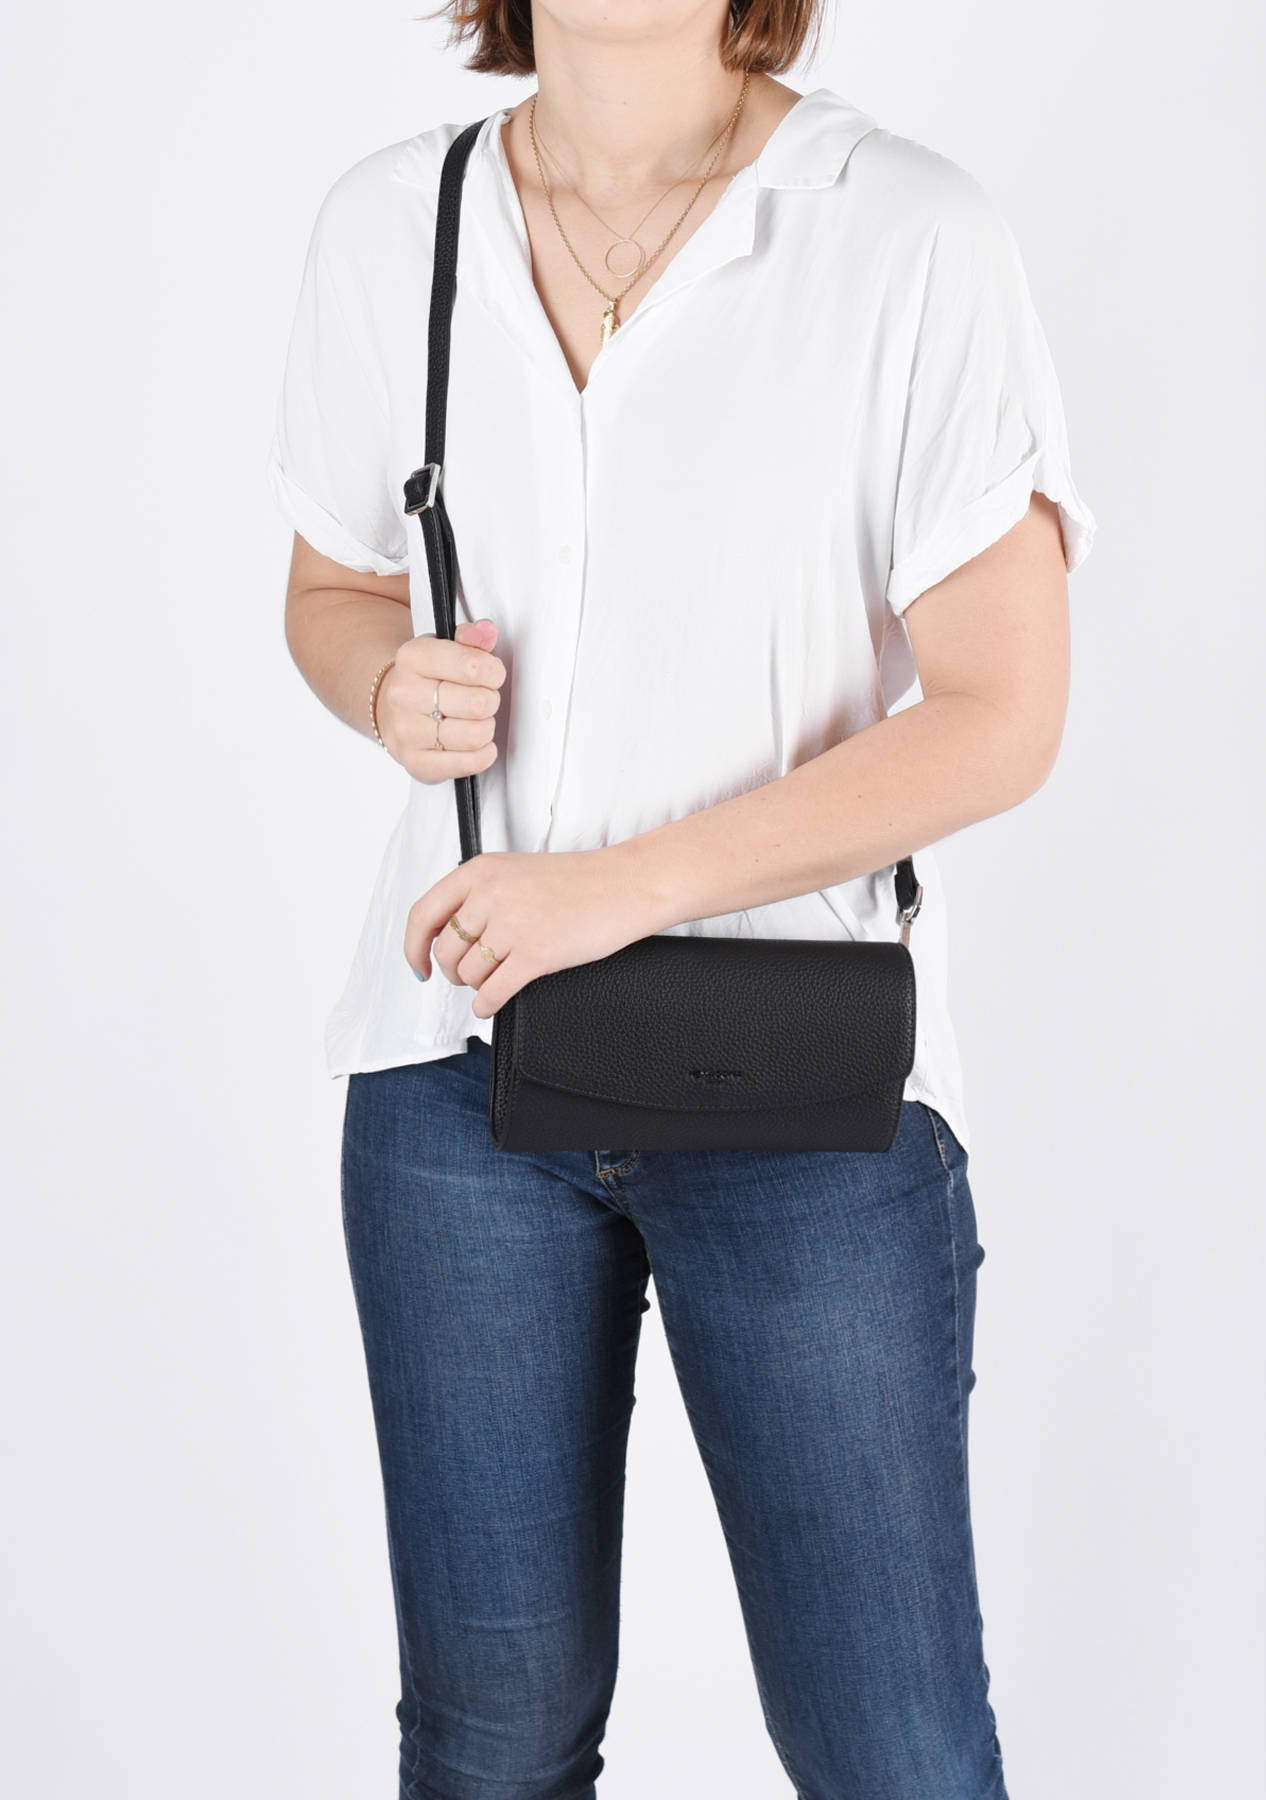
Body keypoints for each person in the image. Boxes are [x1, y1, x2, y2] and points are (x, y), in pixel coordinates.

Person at [266, 1, 1096, 1793]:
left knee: (887, 1751)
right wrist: (379, 681)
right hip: (456, 1074)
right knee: (488, 1743)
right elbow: (334, 584)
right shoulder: (394, 223)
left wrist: (617, 891)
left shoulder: (901, 228)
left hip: (803, 1097)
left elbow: (999, 712)